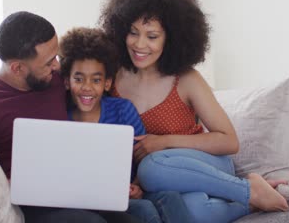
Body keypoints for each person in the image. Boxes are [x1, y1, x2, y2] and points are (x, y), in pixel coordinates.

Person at [99, 0, 289, 223]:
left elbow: (229, 141)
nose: (139, 44)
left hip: (206, 165)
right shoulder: (110, 77)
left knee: (152, 167)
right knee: (188, 211)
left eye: (152, 36)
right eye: (133, 33)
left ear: (171, 38)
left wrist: (164, 142)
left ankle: (247, 188)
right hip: (163, 184)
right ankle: (248, 199)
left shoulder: (187, 79)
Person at [0, 11, 143, 223]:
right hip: (27, 204)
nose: (56, 66)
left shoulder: (54, 81)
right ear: (17, 68)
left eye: (56, 56)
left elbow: (91, 86)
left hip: (75, 190)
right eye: (48, 62)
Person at [58, 27, 192, 223]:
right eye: (78, 79)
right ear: (67, 82)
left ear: (106, 83)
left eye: (96, 80)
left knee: (170, 197)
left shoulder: (122, 110)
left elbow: (143, 155)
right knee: (145, 209)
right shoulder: (61, 118)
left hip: (129, 190)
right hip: (90, 198)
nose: (87, 87)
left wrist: (137, 185)